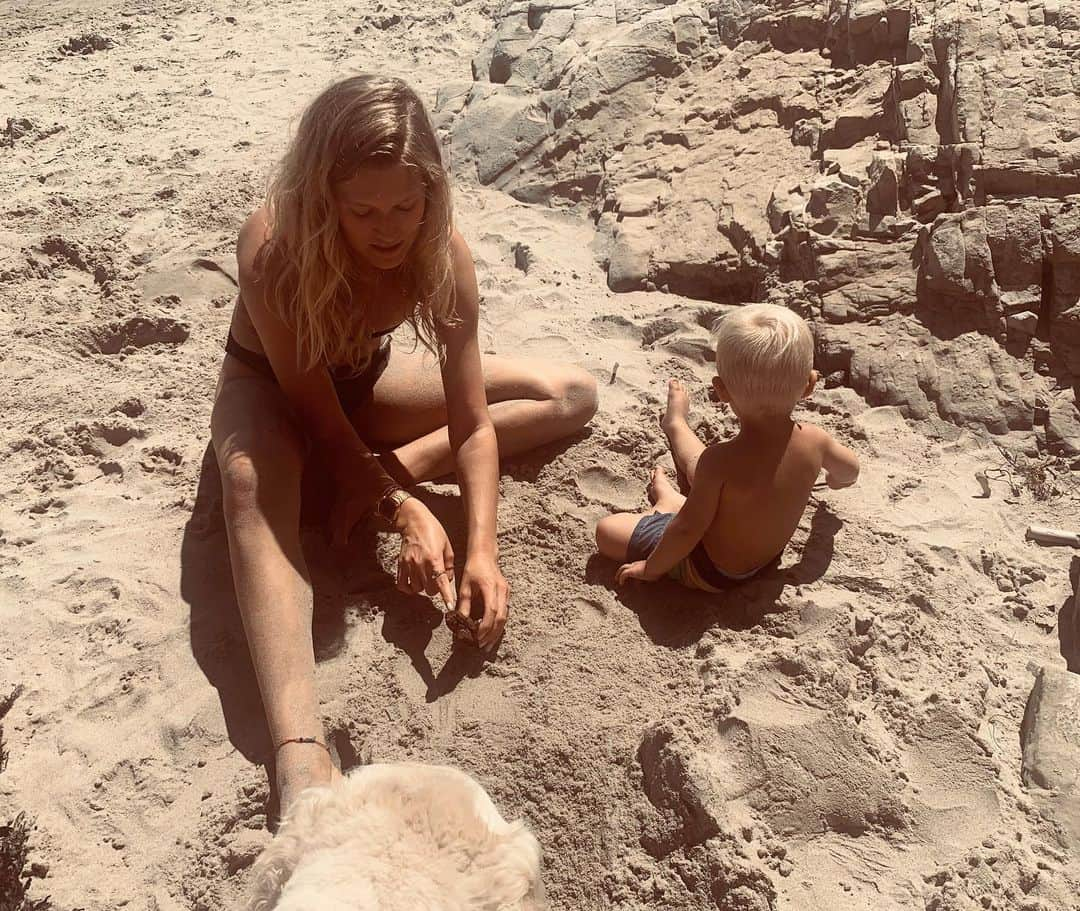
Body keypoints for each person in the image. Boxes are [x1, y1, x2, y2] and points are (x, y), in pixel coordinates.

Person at [211, 75, 597, 811]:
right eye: (362, 210)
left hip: (366, 385)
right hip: (274, 395)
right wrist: (404, 509)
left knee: (572, 392)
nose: (388, 228)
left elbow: (473, 420)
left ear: (430, 192)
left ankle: (397, 464)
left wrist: (482, 546)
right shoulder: (273, 244)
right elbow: (317, 418)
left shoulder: (438, 250)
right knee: (251, 484)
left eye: (405, 204)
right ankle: (300, 758)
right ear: (326, 200)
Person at [595, 303, 858, 591]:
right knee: (708, 475)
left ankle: (669, 501)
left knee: (607, 531)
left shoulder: (720, 462)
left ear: (720, 390)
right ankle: (676, 427)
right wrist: (835, 480)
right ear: (809, 385)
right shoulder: (816, 442)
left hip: (711, 571)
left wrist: (651, 568)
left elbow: (686, 530)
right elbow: (850, 470)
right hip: (765, 560)